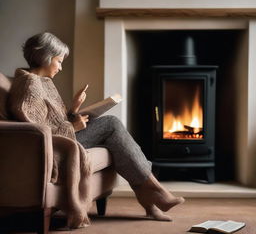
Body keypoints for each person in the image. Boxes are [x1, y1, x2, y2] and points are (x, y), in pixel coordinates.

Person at [8, 32, 184, 223]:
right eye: (59, 61)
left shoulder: (43, 82)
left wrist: (74, 108)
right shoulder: (29, 85)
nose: (60, 67)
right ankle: (152, 193)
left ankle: (151, 197)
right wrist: (73, 127)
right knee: (111, 124)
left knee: (115, 137)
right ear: (45, 58)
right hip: (57, 145)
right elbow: (39, 132)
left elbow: (53, 120)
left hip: (65, 135)